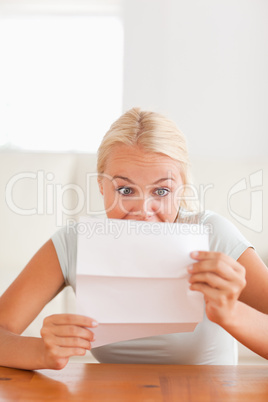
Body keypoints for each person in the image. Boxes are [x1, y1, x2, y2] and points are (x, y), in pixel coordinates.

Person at [0, 107, 267, 370]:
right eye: (126, 190)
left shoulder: (213, 236)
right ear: (102, 187)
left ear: (181, 188)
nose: (142, 211)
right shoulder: (75, 243)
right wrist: (41, 352)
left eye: (161, 191)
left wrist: (233, 314)